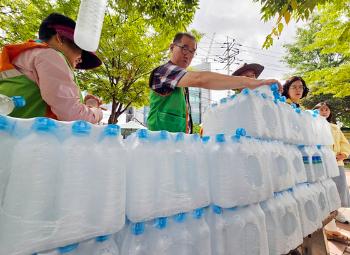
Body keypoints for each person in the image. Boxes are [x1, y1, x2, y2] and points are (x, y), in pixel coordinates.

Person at [147, 32, 281, 133]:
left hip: (176, 145)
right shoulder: (164, 71)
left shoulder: (181, 83)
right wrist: (253, 82)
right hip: (161, 146)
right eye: (184, 48)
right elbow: (201, 79)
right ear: (171, 47)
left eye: (193, 51)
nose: (188, 54)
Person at [0, 13, 103, 123]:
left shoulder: (28, 55)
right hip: (26, 137)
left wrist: (86, 104)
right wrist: (97, 112)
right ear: (59, 38)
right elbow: (73, 115)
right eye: (79, 47)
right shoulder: (50, 56)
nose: (81, 57)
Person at [313, 102, 350, 243]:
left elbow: (344, 143)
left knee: (339, 186)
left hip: (337, 162)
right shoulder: (312, 126)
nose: (324, 111)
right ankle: (327, 215)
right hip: (322, 163)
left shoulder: (335, 127)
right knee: (325, 189)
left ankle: (337, 211)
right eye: (321, 109)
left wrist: (344, 154)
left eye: (326, 109)